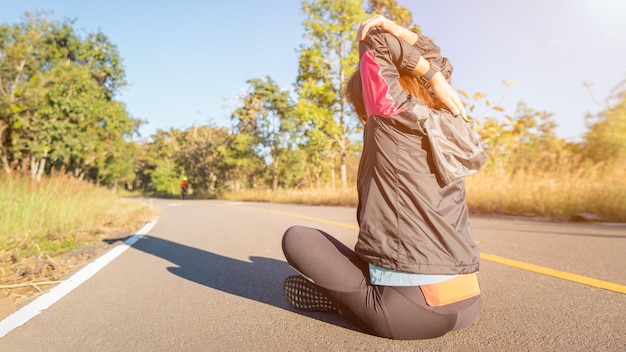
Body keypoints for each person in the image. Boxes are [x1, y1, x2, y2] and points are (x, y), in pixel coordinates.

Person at [281, 15, 483, 340]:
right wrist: (417, 51)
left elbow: (376, 46)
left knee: (298, 238)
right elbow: (438, 66)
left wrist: (411, 56)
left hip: (412, 315)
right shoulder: (446, 118)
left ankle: (350, 304)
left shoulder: (391, 119)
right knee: (368, 254)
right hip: (469, 301)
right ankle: (362, 293)